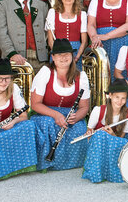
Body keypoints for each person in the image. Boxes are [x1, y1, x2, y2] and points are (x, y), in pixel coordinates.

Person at [30, 39, 91, 171]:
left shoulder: (81, 76)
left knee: (79, 128)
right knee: (48, 124)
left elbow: (84, 107)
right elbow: (35, 104)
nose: (63, 57)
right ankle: (48, 162)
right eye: (59, 55)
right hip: (46, 113)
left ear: (72, 56)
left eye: (66, 54)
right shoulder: (45, 72)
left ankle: (70, 163)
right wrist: (56, 115)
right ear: (53, 57)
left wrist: (76, 117)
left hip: (71, 114)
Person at [0, 0, 50, 73]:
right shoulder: (3, 5)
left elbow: (47, 32)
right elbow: (1, 33)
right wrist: (12, 53)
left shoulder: (42, 6)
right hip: (15, 60)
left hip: (40, 59)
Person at [81, 79, 128, 183]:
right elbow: (89, 136)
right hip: (97, 148)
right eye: (117, 97)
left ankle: (110, 171)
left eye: (123, 98)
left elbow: (121, 140)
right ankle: (97, 172)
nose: (120, 101)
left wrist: (112, 134)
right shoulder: (98, 110)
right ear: (110, 95)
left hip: (115, 147)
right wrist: (91, 134)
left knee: (124, 142)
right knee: (100, 134)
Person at [45, 0, 88, 70]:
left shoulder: (82, 14)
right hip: (58, 52)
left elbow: (84, 41)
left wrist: (76, 57)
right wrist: (58, 55)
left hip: (76, 52)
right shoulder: (52, 13)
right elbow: (50, 40)